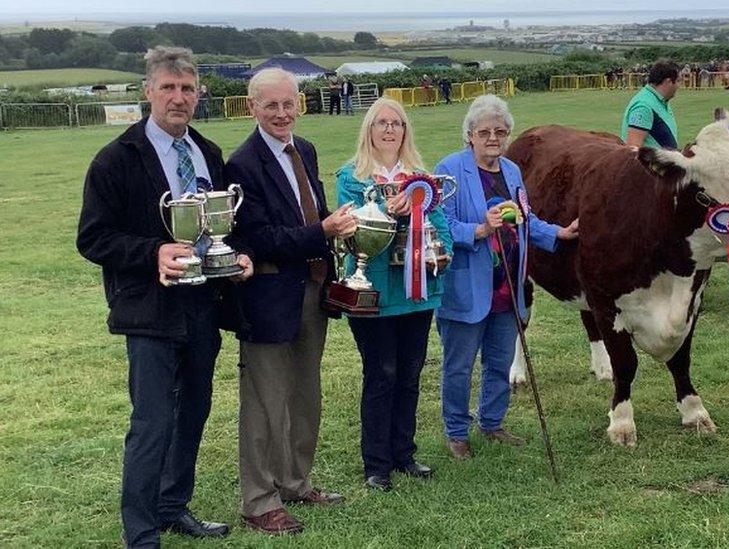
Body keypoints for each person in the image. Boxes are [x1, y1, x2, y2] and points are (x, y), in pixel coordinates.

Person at [77, 45, 254, 548]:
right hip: (149, 311)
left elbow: (219, 228)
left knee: (193, 412)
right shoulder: (116, 158)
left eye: (187, 88)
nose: (178, 97)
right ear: (148, 92)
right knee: (152, 423)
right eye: (168, 88)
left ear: (199, 94)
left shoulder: (208, 153)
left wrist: (234, 258)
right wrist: (153, 251)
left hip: (202, 306)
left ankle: (175, 506)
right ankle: (141, 533)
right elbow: (92, 237)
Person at [227, 67, 358, 535]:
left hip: (311, 291)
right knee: (265, 401)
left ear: (300, 104)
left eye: (289, 104)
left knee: (305, 394)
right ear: (252, 108)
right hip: (267, 297)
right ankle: (259, 499)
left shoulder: (304, 150)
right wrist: (320, 231)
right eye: (271, 105)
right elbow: (259, 238)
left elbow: (311, 212)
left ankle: (295, 482)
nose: (282, 114)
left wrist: (342, 221)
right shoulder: (241, 163)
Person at [434, 95, 579, 460]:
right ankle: (456, 432)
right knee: (459, 365)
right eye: (484, 132)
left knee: (499, 360)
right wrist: (480, 230)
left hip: (508, 282)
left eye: (500, 131)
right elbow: (441, 225)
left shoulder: (512, 171)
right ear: (469, 135)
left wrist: (557, 233)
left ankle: (492, 422)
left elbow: (524, 217)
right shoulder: (450, 168)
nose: (492, 138)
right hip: (468, 283)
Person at [335, 98, 453, 491]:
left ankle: (404, 453)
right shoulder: (351, 177)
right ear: (368, 130)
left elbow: (437, 219)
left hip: (418, 291)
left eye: (397, 123)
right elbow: (351, 226)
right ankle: (376, 464)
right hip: (374, 292)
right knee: (381, 373)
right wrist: (388, 208)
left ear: (405, 131)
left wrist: (446, 249)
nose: (389, 129)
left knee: (410, 372)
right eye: (381, 123)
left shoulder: (421, 176)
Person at [620, 60, 680, 149]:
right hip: (651, 163)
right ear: (668, 82)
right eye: (678, 81)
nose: (679, 86)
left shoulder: (660, 100)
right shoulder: (643, 107)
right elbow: (632, 150)